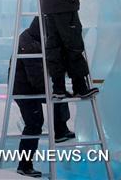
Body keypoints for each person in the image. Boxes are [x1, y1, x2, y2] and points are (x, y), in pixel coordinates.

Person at [12, 17, 74, 178]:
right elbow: (36, 76)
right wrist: (52, 90)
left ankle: (60, 130)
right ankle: (24, 166)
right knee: (34, 124)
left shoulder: (36, 38)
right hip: (24, 90)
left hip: (31, 87)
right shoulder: (30, 44)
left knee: (59, 96)